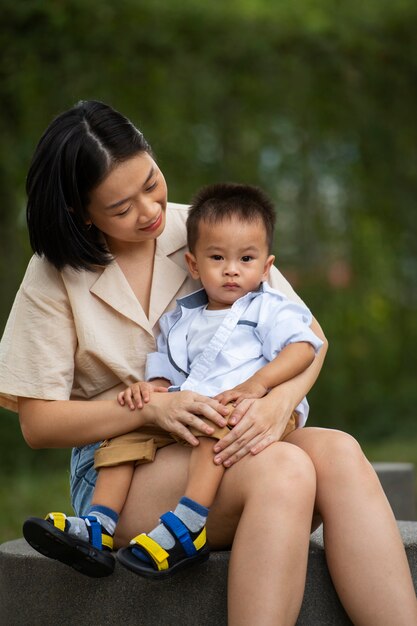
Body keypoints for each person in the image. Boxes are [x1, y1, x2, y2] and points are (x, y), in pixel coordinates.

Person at [0, 101, 415, 624]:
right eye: (122, 208)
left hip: (223, 432)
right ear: (83, 213)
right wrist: (152, 409)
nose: (149, 210)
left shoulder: (206, 230)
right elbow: (38, 424)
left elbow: (309, 338)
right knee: (285, 468)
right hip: (124, 467)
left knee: (340, 452)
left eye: (152, 182)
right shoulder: (53, 274)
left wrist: (278, 401)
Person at [24, 182, 323, 579]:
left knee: (237, 434)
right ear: (194, 265)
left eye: (149, 184)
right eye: (217, 258)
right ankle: (99, 523)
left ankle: (189, 521)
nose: (232, 269)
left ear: (265, 267)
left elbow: (307, 345)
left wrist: (264, 388)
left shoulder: (268, 306)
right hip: (190, 413)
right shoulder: (182, 318)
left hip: (244, 407)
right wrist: (152, 393)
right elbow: (164, 370)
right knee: (123, 442)